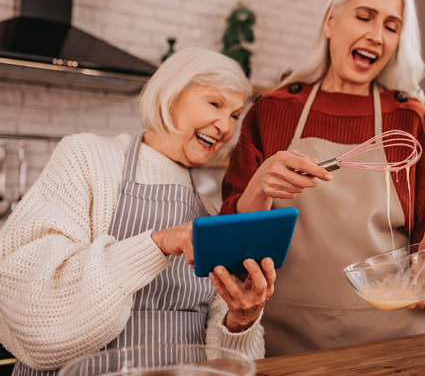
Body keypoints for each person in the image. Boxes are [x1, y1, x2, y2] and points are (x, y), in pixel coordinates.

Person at [221, 0, 425, 356]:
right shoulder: (271, 112)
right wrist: (259, 187)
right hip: (285, 340)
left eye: (392, 26)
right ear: (330, 20)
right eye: (364, 16)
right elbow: (229, 244)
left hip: (395, 340)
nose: (376, 35)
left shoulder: (410, 121)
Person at [0, 48, 275, 375]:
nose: (225, 127)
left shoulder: (208, 208)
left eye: (235, 115)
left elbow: (225, 359)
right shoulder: (86, 156)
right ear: (170, 97)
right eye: (214, 104)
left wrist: (239, 321)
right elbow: (27, 293)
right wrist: (157, 243)